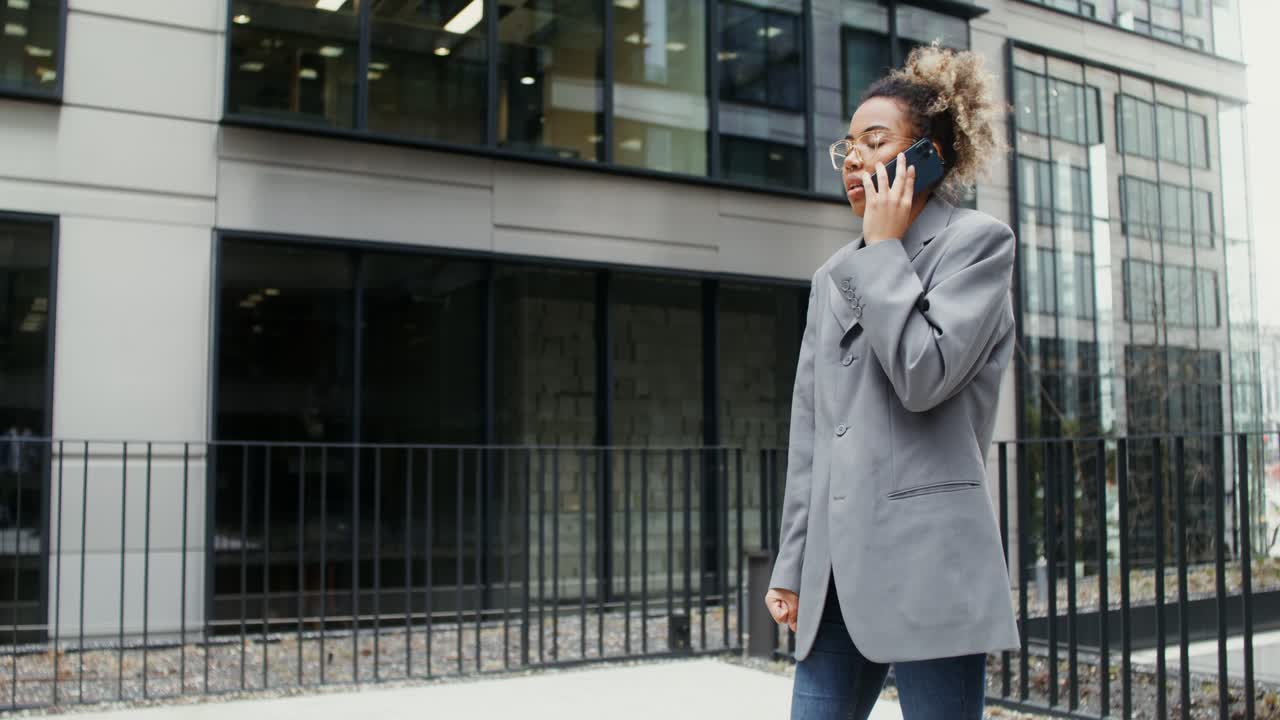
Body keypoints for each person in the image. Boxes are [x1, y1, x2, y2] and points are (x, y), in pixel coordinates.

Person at [763, 43, 1021, 720]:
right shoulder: (830, 278)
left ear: (928, 155)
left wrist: (883, 250)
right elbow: (811, 432)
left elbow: (923, 375)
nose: (853, 159)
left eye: (874, 142)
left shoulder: (979, 245)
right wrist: (791, 566)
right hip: (837, 574)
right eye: (847, 146)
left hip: (930, 563)